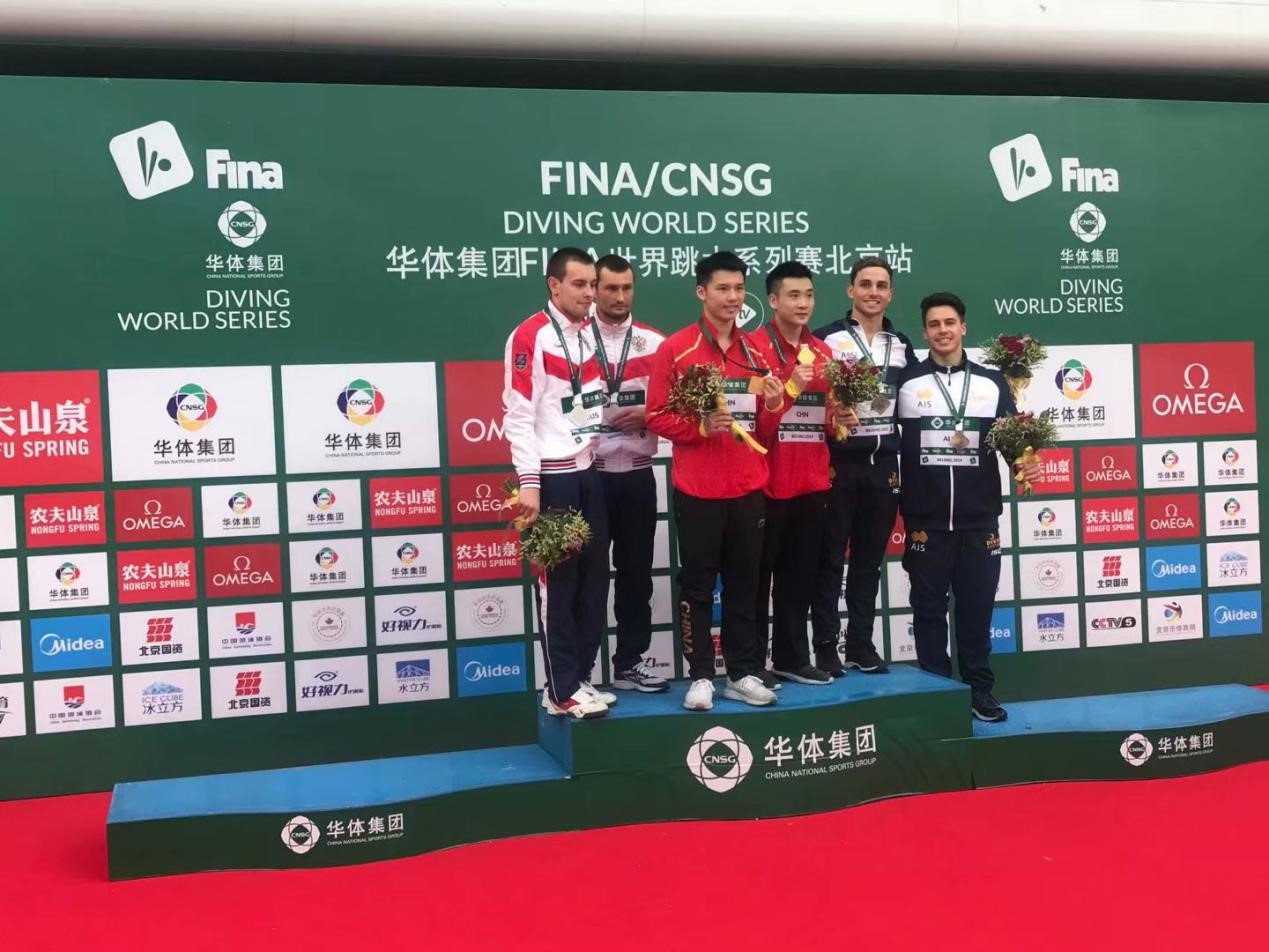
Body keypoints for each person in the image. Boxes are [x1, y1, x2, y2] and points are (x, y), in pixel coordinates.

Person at [646, 251, 784, 711]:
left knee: (746, 586)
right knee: (698, 587)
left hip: (748, 488)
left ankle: (741, 673)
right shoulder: (676, 349)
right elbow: (656, 415)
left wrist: (774, 403)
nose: (733, 297)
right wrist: (700, 428)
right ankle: (701, 675)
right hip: (698, 490)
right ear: (702, 292)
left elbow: (766, 428)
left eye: (739, 288)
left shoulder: (758, 351)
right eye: (723, 288)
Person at [895, 291, 1041, 723]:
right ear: (925, 332)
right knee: (928, 612)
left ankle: (980, 691)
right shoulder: (907, 383)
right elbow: (882, 437)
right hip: (926, 520)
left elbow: (1012, 441)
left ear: (963, 327)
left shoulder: (992, 382)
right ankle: (937, 696)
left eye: (949, 322)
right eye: (934, 324)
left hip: (980, 519)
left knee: (976, 612)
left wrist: (1024, 464)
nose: (942, 330)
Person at [503, 247, 615, 719]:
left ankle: (580, 677)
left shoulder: (587, 333)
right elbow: (518, 415)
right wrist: (529, 483)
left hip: (588, 471)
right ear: (554, 285)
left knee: (593, 581)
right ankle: (561, 689)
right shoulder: (530, 335)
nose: (590, 294)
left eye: (592, 285)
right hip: (552, 479)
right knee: (559, 586)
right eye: (579, 284)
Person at [812, 256, 917, 675]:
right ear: (850, 290)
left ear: (890, 294)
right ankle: (825, 646)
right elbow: (807, 398)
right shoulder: (825, 339)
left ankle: (860, 644)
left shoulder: (901, 343)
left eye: (881, 285)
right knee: (829, 559)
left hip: (883, 465)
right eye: (865, 284)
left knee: (869, 561)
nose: (873, 292)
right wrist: (831, 413)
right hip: (837, 463)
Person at [751, 261, 850, 686]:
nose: (803, 303)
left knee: (798, 579)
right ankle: (750, 663)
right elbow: (752, 423)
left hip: (811, 482)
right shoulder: (753, 350)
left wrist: (840, 419)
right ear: (773, 301)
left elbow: (826, 421)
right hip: (764, 483)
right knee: (756, 581)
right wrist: (790, 385)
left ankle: (791, 658)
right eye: (793, 295)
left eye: (808, 295)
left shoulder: (824, 353)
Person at [589, 254, 669, 693]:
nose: (620, 297)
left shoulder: (656, 343)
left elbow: (676, 408)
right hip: (591, 475)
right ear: (594, 290)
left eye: (627, 288)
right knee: (588, 575)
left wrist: (648, 414)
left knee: (636, 574)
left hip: (638, 475)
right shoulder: (576, 341)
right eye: (611, 288)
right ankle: (578, 672)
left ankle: (630, 663)